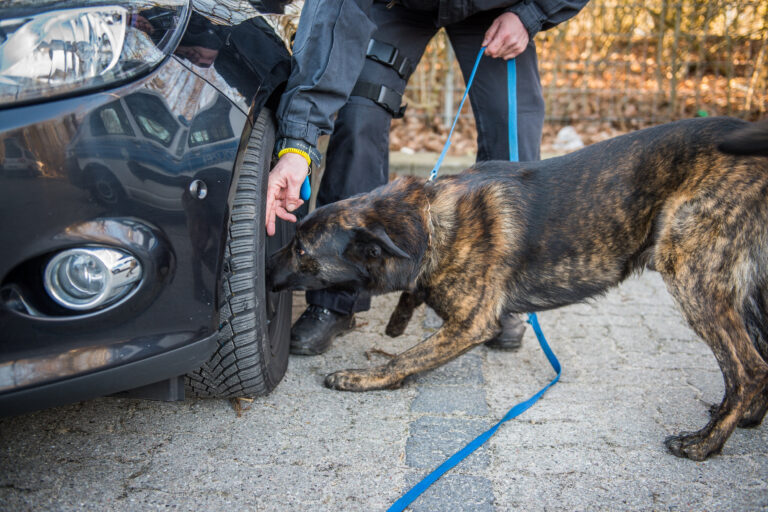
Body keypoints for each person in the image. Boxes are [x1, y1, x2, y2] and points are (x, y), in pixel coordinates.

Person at [266, 0, 588, 356]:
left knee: (513, 136)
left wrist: (531, 14)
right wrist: (297, 145)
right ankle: (334, 302)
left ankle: (499, 299)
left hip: (500, 8)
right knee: (359, 116)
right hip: (399, 5)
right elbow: (332, 23)